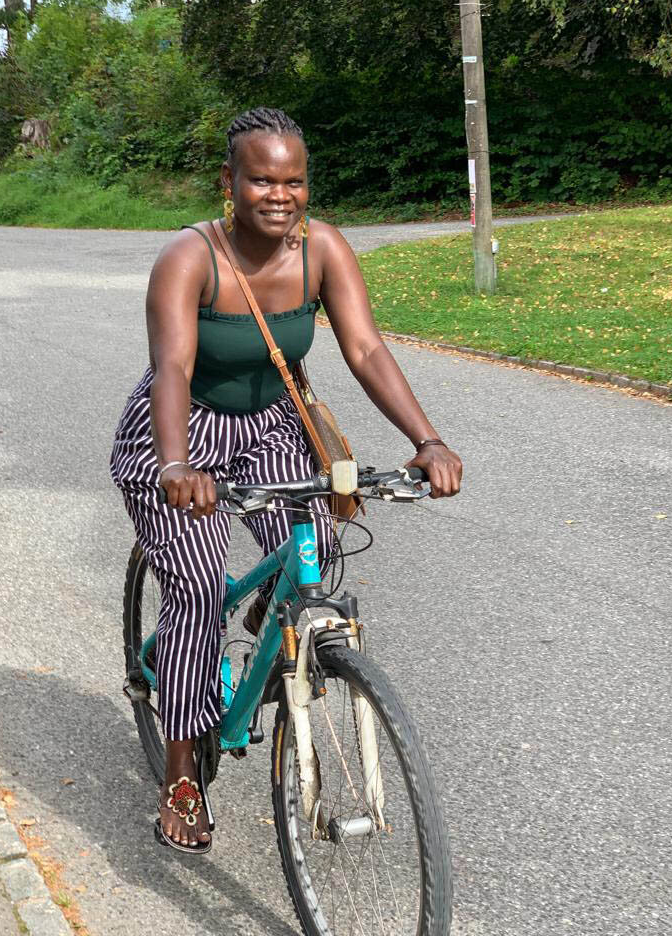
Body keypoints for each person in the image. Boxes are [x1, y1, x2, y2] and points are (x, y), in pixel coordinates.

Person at [110, 107, 462, 854]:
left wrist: (425, 439)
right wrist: (175, 463)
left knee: (315, 554)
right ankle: (181, 771)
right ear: (229, 182)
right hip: (180, 429)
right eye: (262, 179)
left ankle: (272, 632)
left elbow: (365, 349)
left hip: (274, 424)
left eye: (293, 180)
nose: (279, 194)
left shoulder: (323, 249)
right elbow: (171, 366)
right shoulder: (190, 257)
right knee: (199, 586)